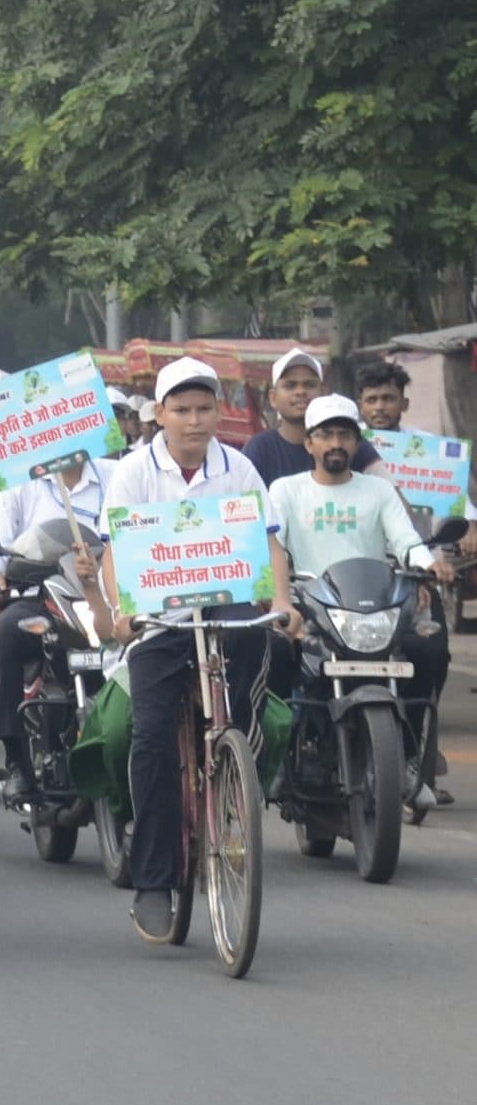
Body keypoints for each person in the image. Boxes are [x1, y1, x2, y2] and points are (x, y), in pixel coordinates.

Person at [98, 356, 295, 942]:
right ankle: (153, 881)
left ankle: (236, 767)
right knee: (152, 737)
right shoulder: (134, 472)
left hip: (228, 608)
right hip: (160, 620)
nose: (194, 420)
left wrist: (284, 602)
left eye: (204, 408)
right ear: (159, 414)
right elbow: (114, 552)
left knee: (261, 640)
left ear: (217, 412)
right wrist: (122, 611)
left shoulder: (239, 467)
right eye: (181, 409)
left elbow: (270, 544)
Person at [266, 394, 454, 811]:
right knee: (274, 652)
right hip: (310, 608)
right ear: (309, 443)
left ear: (356, 443)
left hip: (372, 609)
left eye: (344, 435)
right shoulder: (286, 490)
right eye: (326, 434)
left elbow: (405, 540)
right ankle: (278, 752)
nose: (336, 443)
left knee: (428, 651)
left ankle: (407, 758)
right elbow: (273, 545)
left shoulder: (379, 490)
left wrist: (428, 565)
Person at [0, 453, 110, 797]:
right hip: (38, 599)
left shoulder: (118, 475)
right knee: (5, 635)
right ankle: (16, 759)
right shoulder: (14, 479)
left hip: (106, 605)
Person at [243, 348, 378, 484]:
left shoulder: (348, 442)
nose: (300, 391)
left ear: (324, 393)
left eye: (310, 385)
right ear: (273, 398)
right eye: (290, 385)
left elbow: (386, 487)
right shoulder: (259, 449)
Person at [356, 362, 413, 434]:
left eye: (388, 399)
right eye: (371, 400)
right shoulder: (347, 438)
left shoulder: (422, 440)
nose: (379, 407)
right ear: (360, 406)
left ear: (404, 404)